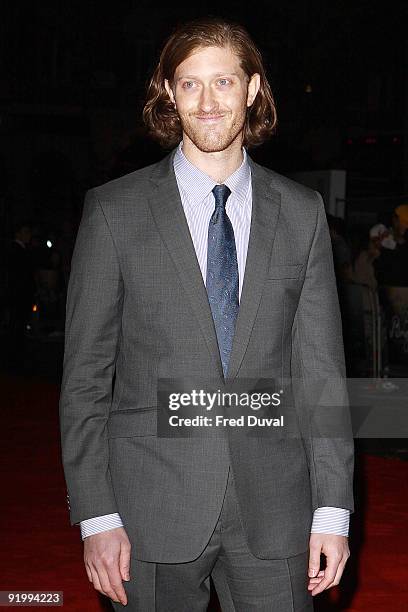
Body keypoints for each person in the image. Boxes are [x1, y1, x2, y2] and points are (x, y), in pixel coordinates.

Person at [59, 18, 354, 611]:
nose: (209, 101)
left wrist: (332, 508)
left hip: (276, 508)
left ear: (251, 89)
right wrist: (96, 514)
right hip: (148, 510)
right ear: (168, 92)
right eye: (190, 84)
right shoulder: (115, 212)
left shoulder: (302, 213)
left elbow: (320, 372)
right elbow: (86, 379)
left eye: (224, 81)